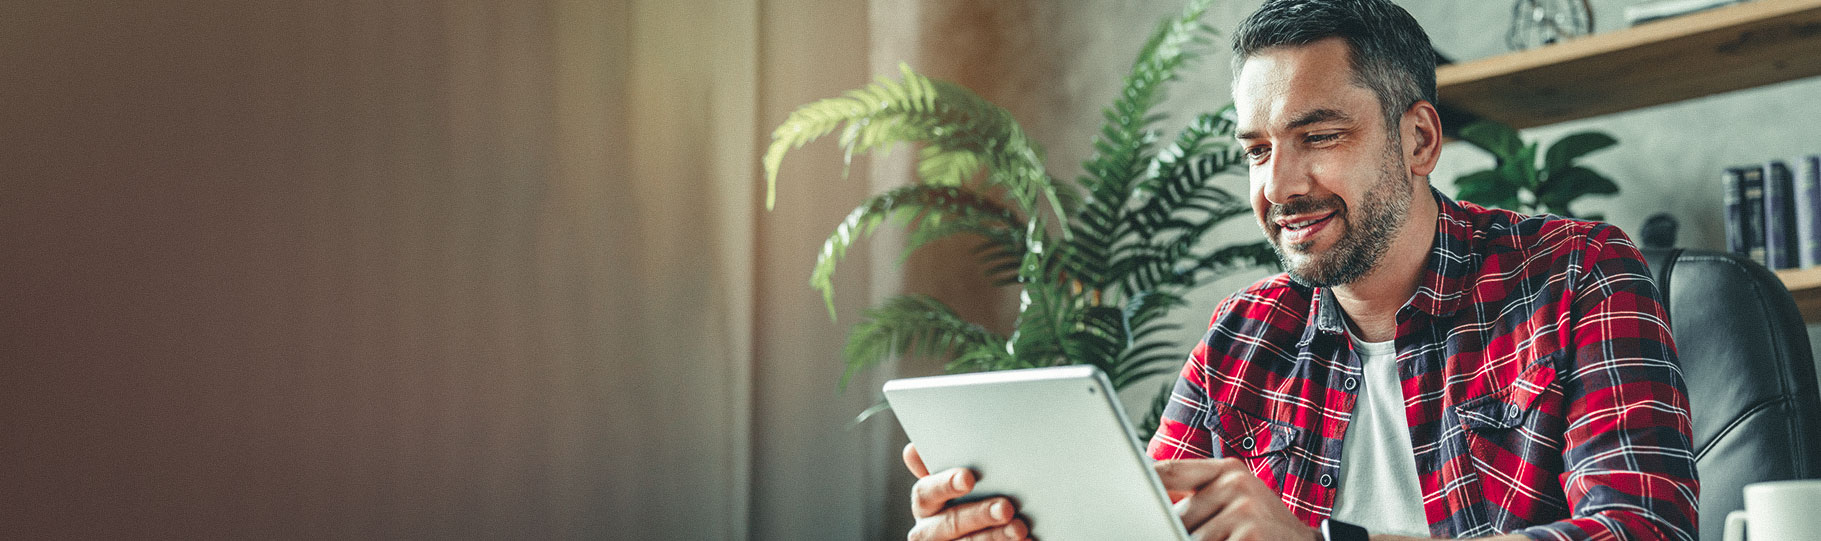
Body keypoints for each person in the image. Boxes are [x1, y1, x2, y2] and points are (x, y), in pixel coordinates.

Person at [900, 0, 1700, 540]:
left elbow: (1638, 531)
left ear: (1418, 140)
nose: (1278, 186)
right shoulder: (1243, 336)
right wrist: (1016, 523)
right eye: (1256, 150)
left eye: (1318, 136)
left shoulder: (1578, 276)